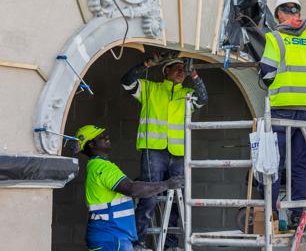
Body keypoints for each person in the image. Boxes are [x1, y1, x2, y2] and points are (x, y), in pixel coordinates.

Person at [121, 56, 208, 251]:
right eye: (176, 68)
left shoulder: (187, 94)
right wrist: (146, 64)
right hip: (154, 151)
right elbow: (126, 81)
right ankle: (138, 243)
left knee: (178, 201)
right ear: (165, 71)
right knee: (149, 198)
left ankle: (170, 245)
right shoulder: (150, 89)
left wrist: (194, 74)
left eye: (183, 69)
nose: (180, 72)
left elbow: (203, 98)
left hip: (178, 154)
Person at [259, 0, 306, 225]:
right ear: (298, 12)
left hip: (282, 111)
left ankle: (269, 213)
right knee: (299, 164)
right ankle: (299, 214)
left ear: (279, 13)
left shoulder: (275, 38)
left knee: (274, 162)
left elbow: (267, 75)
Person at [76, 124, 183, 251]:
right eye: (100, 137)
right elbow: (132, 189)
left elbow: (127, 188)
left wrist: (143, 184)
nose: (106, 137)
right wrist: (166, 184)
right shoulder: (101, 167)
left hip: (112, 236)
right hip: (111, 237)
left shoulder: (97, 166)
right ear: (91, 145)